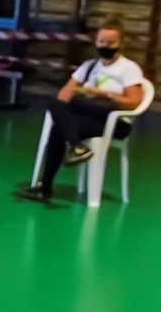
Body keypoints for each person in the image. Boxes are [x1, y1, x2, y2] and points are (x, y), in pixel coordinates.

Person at [18, 17, 145, 203]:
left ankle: (75, 148)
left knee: (74, 105)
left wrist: (104, 94)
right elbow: (63, 95)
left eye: (110, 43)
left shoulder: (128, 68)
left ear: (120, 43)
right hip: (87, 116)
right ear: (96, 42)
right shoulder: (89, 66)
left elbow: (134, 102)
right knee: (57, 111)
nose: (105, 46)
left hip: (114, 120)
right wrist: (79, 92)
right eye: (102, 42)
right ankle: (51, 179)